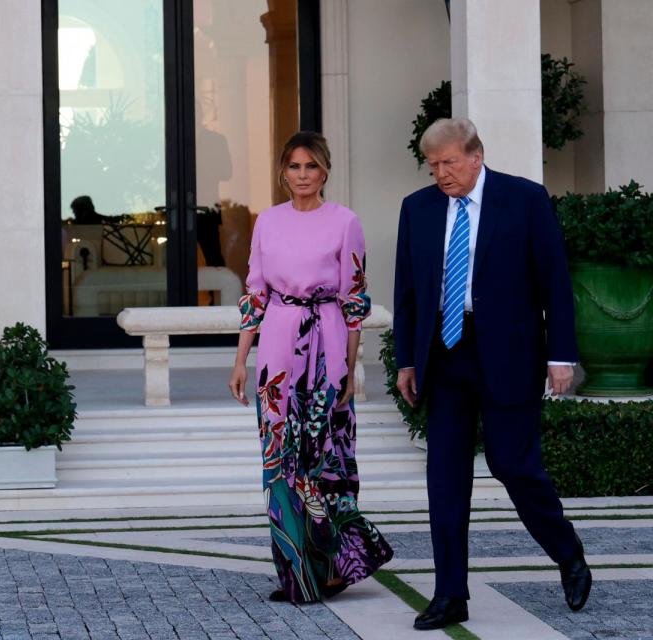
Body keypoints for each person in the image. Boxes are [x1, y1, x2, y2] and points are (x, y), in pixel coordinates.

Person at [392, 118, 591, 630]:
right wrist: (407, 361)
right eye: (433, 165)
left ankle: (567, 551)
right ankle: (449, 594)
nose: (441, 174)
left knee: (513, 465)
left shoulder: (524, 199)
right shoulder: (417, 209)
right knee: (445, 478)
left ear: (476, 155)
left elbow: (554, 281)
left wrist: (561, 356)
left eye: (450, 163)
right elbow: (409, 291)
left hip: (509, 353)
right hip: (445, 355)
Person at [228, 131, 393, 603]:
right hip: (277, 347)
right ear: (283, 172)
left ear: (325, 171)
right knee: (279, 463)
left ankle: (337, 566)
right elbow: (255, 293)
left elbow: (355, 299)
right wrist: (241, 359)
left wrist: (349, 365)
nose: (303, 175)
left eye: (312, 166)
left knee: (327, 460)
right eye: (295, 167)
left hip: (327, 342)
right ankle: (296, 573)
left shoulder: (345, 222)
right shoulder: (267, 222)